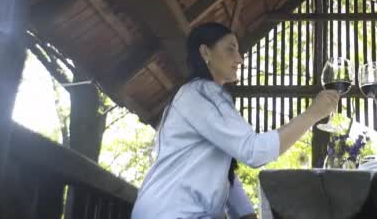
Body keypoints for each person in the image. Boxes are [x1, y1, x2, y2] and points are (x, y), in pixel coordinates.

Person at [132, 22, 338, 219]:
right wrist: (312, 114)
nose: (240, 59)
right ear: (205, 53)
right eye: (231, 49)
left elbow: (223, 172)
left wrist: (246, 214)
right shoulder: (202, 93)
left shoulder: (200, 95)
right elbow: (254, 151)